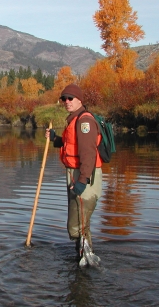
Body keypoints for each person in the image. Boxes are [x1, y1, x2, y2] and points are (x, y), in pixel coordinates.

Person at [45, 84, 103, 258]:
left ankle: (87, 260)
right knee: (80, 224)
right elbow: (72, 145)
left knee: (78, 225)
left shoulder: (84, 121)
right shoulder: (74, 120)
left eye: (70, 98)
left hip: (84, 176)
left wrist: (82, 181)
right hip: (75, 174)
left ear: (79, 100)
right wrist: (56, 139)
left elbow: (88, 153)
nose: (67, 102)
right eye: (64, 99)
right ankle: (82, 259)